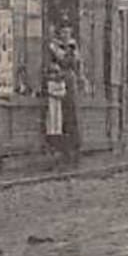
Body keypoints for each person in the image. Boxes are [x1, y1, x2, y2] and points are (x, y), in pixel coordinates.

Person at [46, 23, 82, 166]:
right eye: (63, 33)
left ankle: (74, 149)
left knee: (72, 117)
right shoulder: (54, 47)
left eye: (68, 33)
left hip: (70, 86)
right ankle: (61, 150)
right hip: (57, 85)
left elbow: (74, 63)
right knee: (58, 119)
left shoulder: (72, 48)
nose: (65, 36)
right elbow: (60, 62)